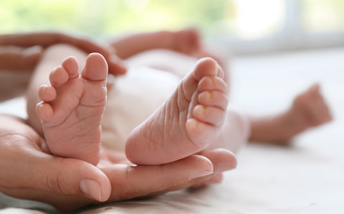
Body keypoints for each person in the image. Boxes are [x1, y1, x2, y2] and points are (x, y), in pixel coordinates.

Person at [24, 29, 332, 195]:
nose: (209, 61)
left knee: (234, 119)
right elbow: (105, 50)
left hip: (114, 99)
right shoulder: (147, 61)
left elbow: (106, 49)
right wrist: (166, 39)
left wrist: (292, 120)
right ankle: (191, 141)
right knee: (236, 123)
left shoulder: (204, 101)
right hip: (105, 91)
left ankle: (53, 123)